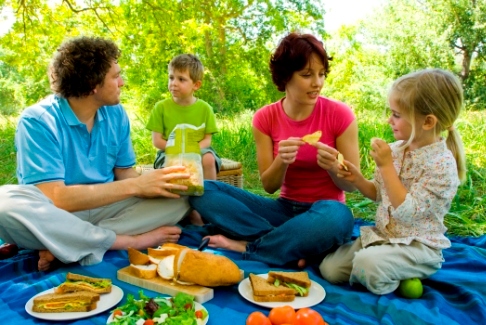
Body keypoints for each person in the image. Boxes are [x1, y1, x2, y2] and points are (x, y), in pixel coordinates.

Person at [0, 36, 192, 271]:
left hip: (103, 210)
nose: (122, 82)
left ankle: (68, 245)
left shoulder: (116, 113)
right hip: (55, 216)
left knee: (180, 196)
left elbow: (124, 173)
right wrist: (136, 187)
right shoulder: (38, 121)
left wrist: (154, 184)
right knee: (4, 203)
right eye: (115, 76)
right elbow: (55, 197)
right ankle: (122, 241)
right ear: (93, 84)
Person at [189, 32, 360, 267]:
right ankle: (290, 244)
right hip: (283, 210)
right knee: (203, 189)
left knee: (338, 215)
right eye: (307, 75)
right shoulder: (265, 118)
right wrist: (282, 161)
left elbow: (352, 184)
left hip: (324, 212)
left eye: (321, 74)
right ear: (285, 77)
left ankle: (251, 246)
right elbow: (269, 186)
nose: (317, 83)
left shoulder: (340, 114)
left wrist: (333, 168)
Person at [319, 68, 466, 295]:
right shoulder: (396, 150)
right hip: (384, 238)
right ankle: (384, 267)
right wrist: (357, 179)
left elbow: (406, 211)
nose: (390, 120)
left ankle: (398, 274)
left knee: (366, 265)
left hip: (417, 246)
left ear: (427, 122)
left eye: (397, 114)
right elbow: (379, 192)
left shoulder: (442, 166)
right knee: (329, 268)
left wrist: (386, 166)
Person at [146, 54, 221, 180]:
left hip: (198, 151)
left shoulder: (205, 109)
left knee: (209, 158)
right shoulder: (160, 107)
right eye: (171, 78)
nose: (173, 83)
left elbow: (207, 140)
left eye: (181, 79)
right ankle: (174, 194)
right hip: (169, 152)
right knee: (174, 164)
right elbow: (157, 141)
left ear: (196, 85)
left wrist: (191, 152)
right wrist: (179, 152)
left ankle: (210, 192)